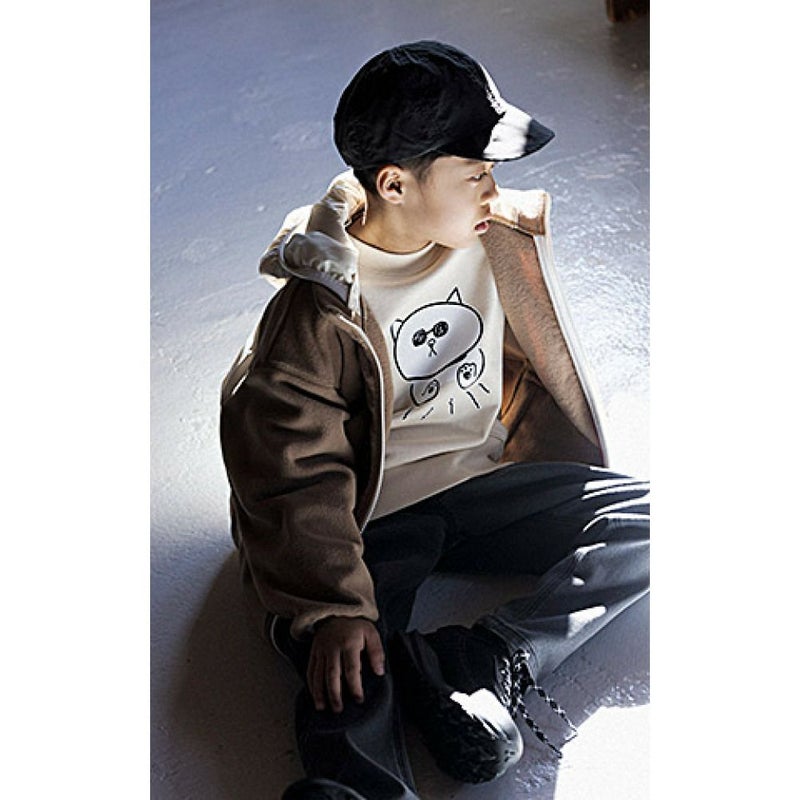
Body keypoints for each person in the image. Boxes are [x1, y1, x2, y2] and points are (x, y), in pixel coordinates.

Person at [220, 40, 649, 800]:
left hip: (484, 478)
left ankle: (484, 658)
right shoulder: (316, 310)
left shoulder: (490, 237)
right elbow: (290, 473)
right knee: (349, 658)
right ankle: (358, 787)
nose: (494, 190)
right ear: (394, 183)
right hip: (373, 515)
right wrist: (335, 605)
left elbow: (530, 358)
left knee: (654, 521)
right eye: (476, 174)